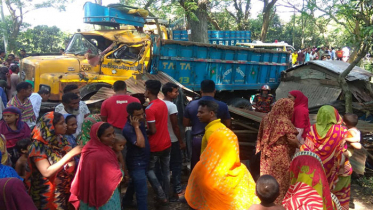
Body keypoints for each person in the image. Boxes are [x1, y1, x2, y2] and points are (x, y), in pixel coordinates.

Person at [185, 127, 260, 209]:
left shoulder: (200, 168)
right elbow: (251, 200)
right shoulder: (242, 171)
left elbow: (192, 196)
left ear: (211, 144)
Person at [26, 111, 82, 210]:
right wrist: (71, 154)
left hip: (63, 189)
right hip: (46, 193)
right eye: (61, 123)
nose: (65, 126)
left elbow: (69, 161)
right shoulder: (38, 146)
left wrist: (70, 164)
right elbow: (46, 172)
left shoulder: (61, 140)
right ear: (50, 126)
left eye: (64, 122)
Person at [256, 98, 301, 205]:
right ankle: (279, 205)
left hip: (266, 156)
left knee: (267, 181)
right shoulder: (285, 122)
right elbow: (292, 141)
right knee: (280, 183)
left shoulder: (266, 118)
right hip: (280, 157)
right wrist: (299, 145)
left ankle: (265, 203)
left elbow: (260, 136)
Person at [70, 122, 122, 210]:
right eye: (108, 135)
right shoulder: (99, 154)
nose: (113, 137)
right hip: (105, 195)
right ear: (98, 138)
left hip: (92, 192)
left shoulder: (90, 148)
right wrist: (121, 171)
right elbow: (115, 175)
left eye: (113, 133)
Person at [183, 79, 231, 170]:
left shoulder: (191, 105)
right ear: (214, 91)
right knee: (214, 166)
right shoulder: (223, 105)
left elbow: (185, 123)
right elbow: (228, 124)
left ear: (201, 91)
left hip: (197, 140)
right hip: (215, 139)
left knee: (197, 167)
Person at [300, 105, 347, 190]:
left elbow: (306, 147)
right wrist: (342, 166)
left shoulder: (312, 128)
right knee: (325, 187)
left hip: (313, 163)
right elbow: (341, 151)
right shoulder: (340, 130)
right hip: (330, 165)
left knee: (312, 186)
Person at [144, 79, 171, 203]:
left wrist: (143, 131)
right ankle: (166, 194)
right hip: (166, 142)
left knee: (148, 169)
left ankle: (161, 194)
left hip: (155, 144)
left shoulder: (149, 109)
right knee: (165, 171)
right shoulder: (163, 104)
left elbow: (153, 130)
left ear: (148, 91)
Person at [122, 102, 150, 210]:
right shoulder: (128, 128)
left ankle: (126, 201)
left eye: (142, 114)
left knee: (134, 183)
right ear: (131, 116)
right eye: (138, 115)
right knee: (142, 191)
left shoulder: (140, 122)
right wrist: (137, 127)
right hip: (136, 162)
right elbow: (141, 144)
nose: (141, 117)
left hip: (144, 158)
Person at [161, 82, 186, 201]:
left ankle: (164, 191)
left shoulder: (158, 104)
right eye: (175, 92)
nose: (177, 94)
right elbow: (175, 126)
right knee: (176, 165)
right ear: (168, 93)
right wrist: (181, 141)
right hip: (173, 140)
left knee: (164, 167)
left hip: (163, 140)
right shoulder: (172, 106)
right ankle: (177, 190)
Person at [334, 114, 362, 210]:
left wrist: (345, 139)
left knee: (342, 155)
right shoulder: (356, 130)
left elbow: (357, 141)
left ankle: (341, 167)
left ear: (345, 123)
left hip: (347, 152)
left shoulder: (350, 132)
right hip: (349, 153)